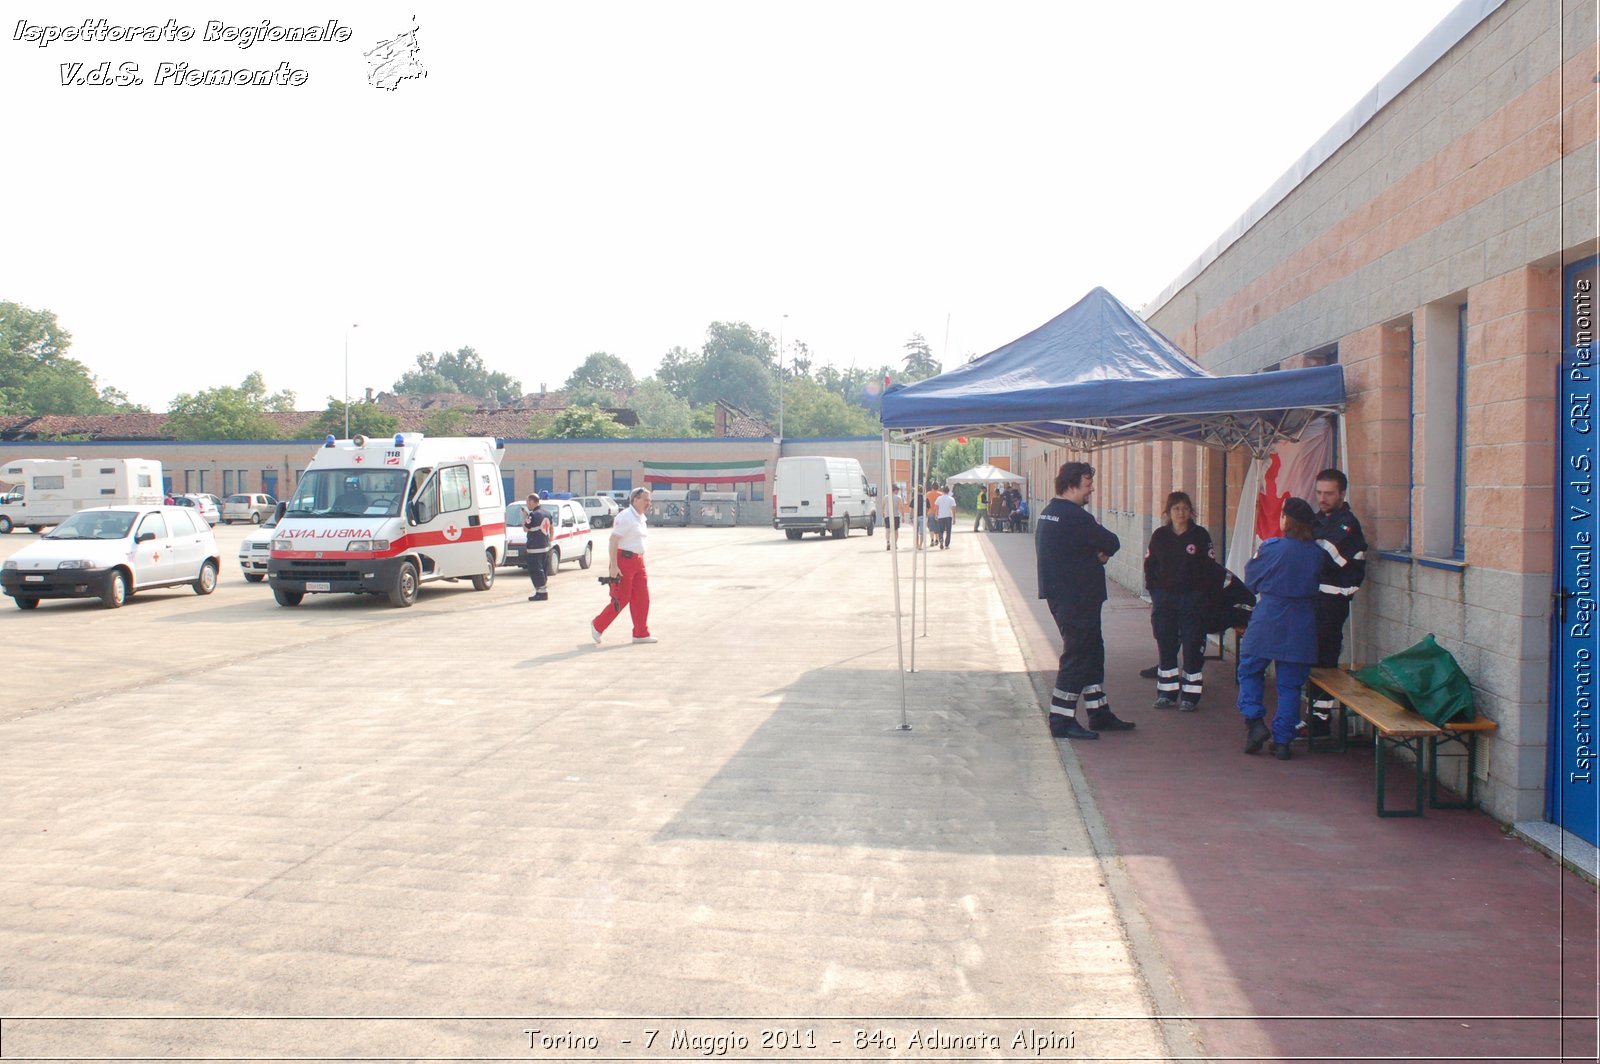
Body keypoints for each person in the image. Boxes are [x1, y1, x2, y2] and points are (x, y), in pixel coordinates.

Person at [1036, 461, 1133, 740]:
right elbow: (1112, 542)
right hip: (1077, 597)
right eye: (1087, 484)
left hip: (1063, 596)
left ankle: (1098, 710)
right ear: (1072, 485)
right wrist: (1098, 556)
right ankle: (1061, 718)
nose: (1091, 490)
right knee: (1078, 655)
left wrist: (1092, 556)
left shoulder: (1049, 513)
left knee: (1091, 651)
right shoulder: (1076, 516)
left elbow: (1069, 552)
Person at [1237, 496, 1324, 760]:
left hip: (1269, 616)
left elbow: (1251, 579)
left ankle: (1254, 722)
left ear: (1286, 520)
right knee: (1290, 685)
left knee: (1250, 670)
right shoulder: (1317, 554)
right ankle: (1283, 741)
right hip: (1301, 621)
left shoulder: (1272, 547)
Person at [1307, 468, 1368, 734]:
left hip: (1332, 602)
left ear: (1342, 494)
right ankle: (1313, 715)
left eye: (1329, 493)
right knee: (1311, 658)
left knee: (1325, 659)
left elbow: (1322, 557)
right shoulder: (1317, 521)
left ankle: (1320, 722)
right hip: (1313, 600)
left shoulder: (1347, 524)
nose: (1322, 498)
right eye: (1319, 493)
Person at [1143, 492, 1215, 711]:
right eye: (1176, 508)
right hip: (1165, 600)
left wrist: (1201, 595)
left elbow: (1210, 568)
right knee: (1166, 644)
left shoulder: (1200, 535)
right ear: (1168, 512)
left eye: (1184, 508)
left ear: (1191, 511)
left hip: (1192, 600)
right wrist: (1156, 592)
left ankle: (1190, 696)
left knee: (1192, 645)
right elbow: (1150, 566)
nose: (1180, 513)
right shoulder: (1160, 536)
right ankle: (1167, 692)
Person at [590, 487, 656, 645]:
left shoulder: (641, 518)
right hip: (623, 561)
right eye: (645, 500)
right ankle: (598, 625)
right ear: (635, 500)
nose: (648, 503)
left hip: (638, 562)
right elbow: (613, 540)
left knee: (642, 598)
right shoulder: (626, 516)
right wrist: (614, 566)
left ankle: (640, 634)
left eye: (649, 500)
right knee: (622, 598)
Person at [523, 492, 552, 602]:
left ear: (532, 501)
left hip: (534, 547)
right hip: (545, 546)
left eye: (528, 502)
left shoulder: (533, 515)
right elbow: (551, 529)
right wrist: (549, 541)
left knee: (535, 570)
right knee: (543, 569)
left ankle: (541, 593)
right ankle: (542, 591)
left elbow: (526, 528)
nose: (527, 504)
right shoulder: (547, 513)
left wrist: (525, 517)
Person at [884, 484, 908, 550]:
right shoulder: (898, 497)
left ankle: (888, 542)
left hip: (887, 515)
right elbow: (901, 508)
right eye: (897, 490)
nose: (898, 492)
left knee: (888, 530)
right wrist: (903, 516)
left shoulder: (886, 497)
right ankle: (894, 544)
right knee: (895, 531)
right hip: (896, 516)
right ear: (895, 490)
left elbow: (883, 505)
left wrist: (883, 513)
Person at [934, 484, 956, 548]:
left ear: (942, 491)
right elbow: (953, 509)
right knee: (948, 531)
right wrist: (954, 518)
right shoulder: (951, 499)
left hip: (941, 516)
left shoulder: (939, 498)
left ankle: (941, 541)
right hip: (948, 516)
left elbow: (937, 507)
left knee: (941, 530)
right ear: (948, 491)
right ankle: (946, 544)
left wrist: (936, 514)